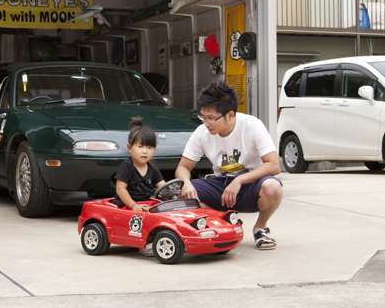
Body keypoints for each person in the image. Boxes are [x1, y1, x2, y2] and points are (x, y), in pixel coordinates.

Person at [176, 80, 283, 250]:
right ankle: (221, 221)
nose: (205, 122)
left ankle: (261, 228)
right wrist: (186, 183)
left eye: (211, 118)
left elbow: (273, 165)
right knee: (178, 191)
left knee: (273, 187)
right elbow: (182, 168)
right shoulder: (202, 132)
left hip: (250, 186)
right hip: (220, 185)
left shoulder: (252, 126)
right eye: (202, 116)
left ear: (230, 115)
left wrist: (239, 181)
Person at [114, 117, 166, 256]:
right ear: (129, 148)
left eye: (150, 147)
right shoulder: (126, 166)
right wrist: (133, 205)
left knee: (165, 213)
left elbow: (164, 187)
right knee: (145, 216)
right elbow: (120, 189)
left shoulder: (153, 169)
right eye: (140, 146)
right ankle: (145, 243)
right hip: (129, 204)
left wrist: (173, 195)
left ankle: (163, 239)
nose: (145, 151)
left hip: (147, 203)